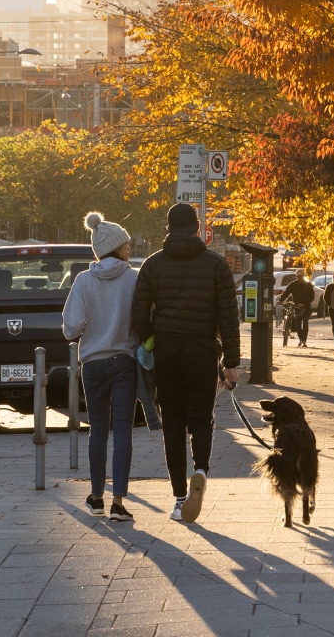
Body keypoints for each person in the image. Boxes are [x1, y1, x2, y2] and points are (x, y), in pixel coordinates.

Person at [131, 203, 240, 524]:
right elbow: (228, 317)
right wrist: (230, 361)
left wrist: (152, 338)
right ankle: (201, 470)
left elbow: (138, 313)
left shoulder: (152, 265)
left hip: (166, 350)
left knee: (173, 424)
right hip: (203, 350)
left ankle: (180, 498)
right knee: (201, 419)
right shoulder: (216, 265)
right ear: (196, 228)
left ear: (168, 227)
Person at [62, 212, 138, 522]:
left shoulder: (83, 280)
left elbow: (71, 328)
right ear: (117, 247)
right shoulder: (134, 277)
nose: (129, 250)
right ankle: (119, 502)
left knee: (97, 430)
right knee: (122, 431)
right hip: (124, 362)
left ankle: (96, 497)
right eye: (127, 245)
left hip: (92, 364)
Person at [278, 269, 315, 347]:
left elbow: (311, 297)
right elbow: (286, 292)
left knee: (305, 323)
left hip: (306, 307)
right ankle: (301, 339)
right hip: (296, 307)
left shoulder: (308, 285)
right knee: (297, 324)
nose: (299, 278)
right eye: (298, 276)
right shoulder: (293, 284)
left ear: (303, 276)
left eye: (300, 276)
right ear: (296, 276)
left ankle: (304, 340)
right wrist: (281, 300)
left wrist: (304, 303)